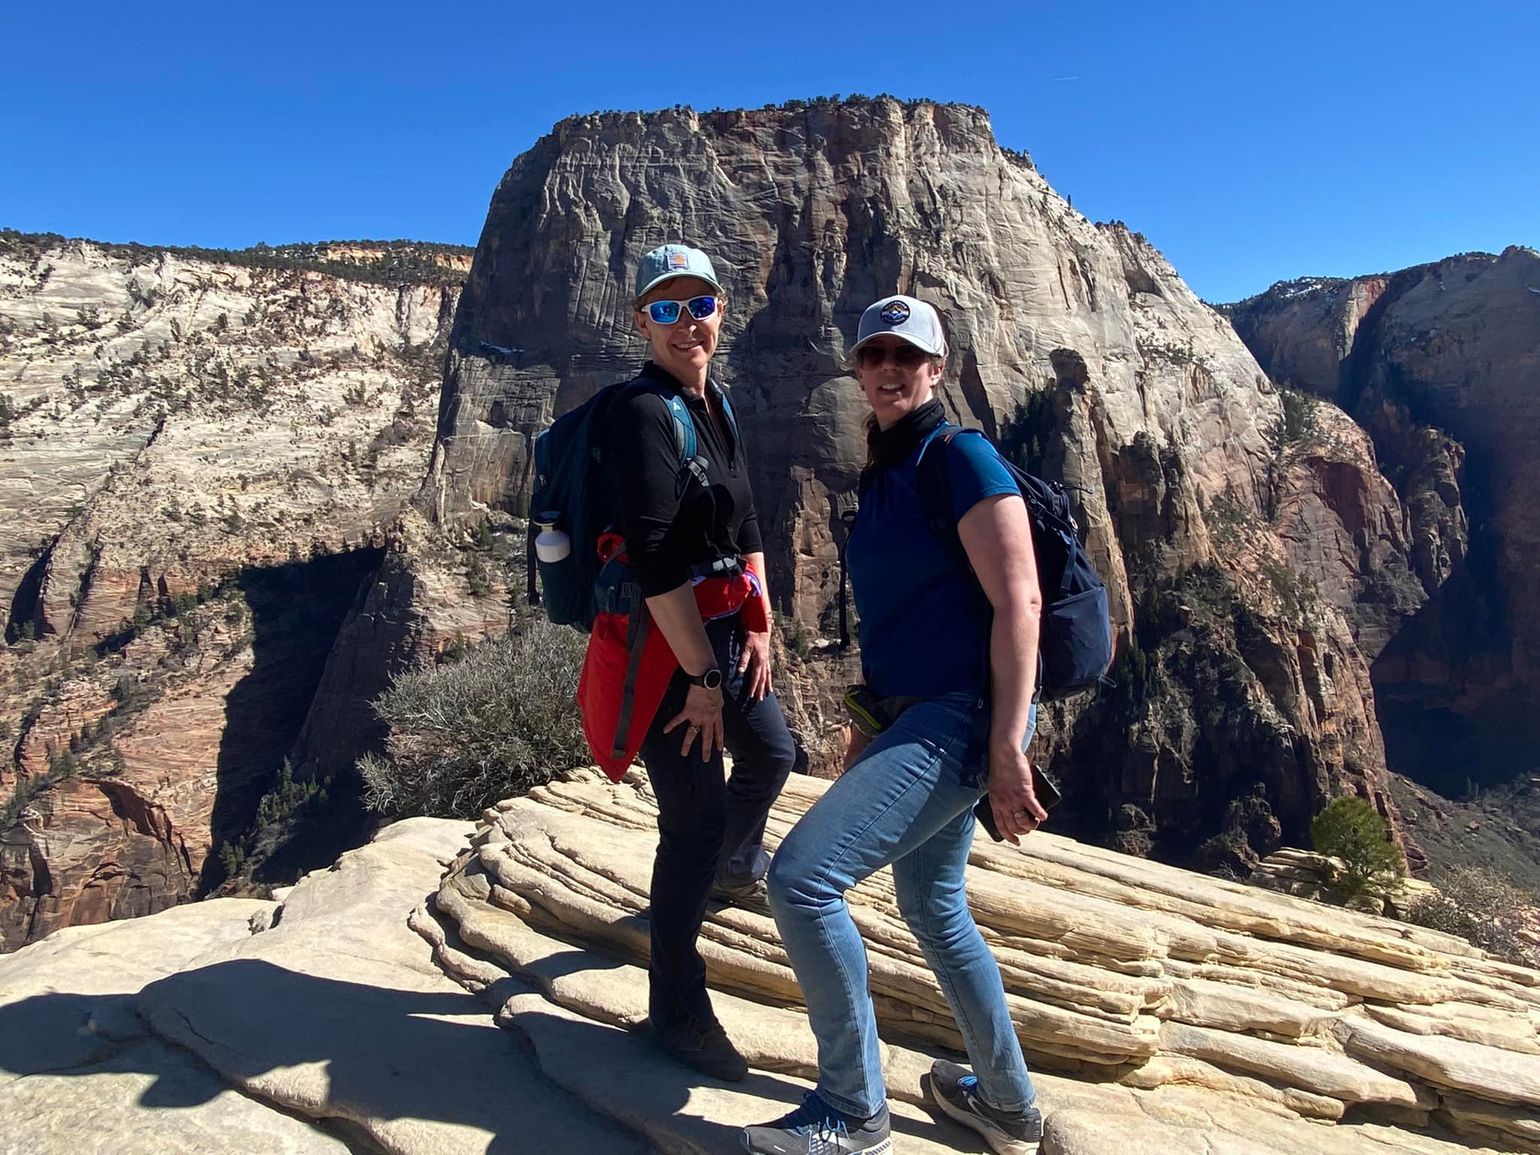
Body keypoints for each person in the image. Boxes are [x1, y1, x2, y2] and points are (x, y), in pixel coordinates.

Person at [743, 295, 1048, 1155]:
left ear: (936, 369)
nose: (887, 369)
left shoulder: (962, 458)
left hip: (961, 719)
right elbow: (897, 618)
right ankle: (1007, 1105)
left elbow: (1020, 601)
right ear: (858, 367)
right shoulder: (887, 468)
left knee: (802, 879)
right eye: (874, 354)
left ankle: (852, 1109)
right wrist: (866, 725)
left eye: (906, 356)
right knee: (933, 902)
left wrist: (1006, 744)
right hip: (911, 717)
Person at [605, 244, 796, 1084]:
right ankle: (675, 1008)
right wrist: (704, 682)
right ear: (641, 321)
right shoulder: (642, 412)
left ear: (722, 309)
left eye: (699, 304)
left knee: (775, 751)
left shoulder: (715, 402)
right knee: (690, 820)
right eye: (666, 308)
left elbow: (747, 522)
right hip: (664, 653)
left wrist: (762, 623)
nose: (687, 323)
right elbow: (654, 562)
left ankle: (731, 863)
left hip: (721, 633)